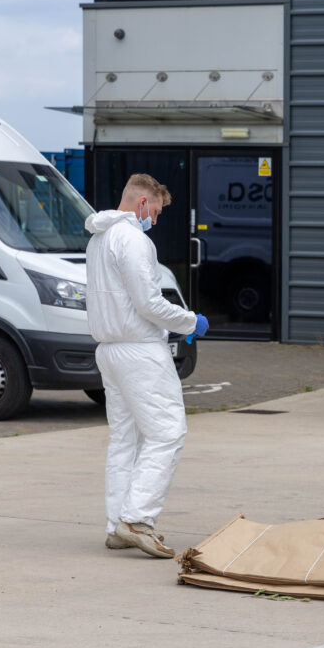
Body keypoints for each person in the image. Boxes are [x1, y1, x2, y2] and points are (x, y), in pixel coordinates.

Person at [84, 173, 209, 559]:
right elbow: (149, 303)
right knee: (168, 432)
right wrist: (191, 322)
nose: (154, 220)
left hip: (108, 349)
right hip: (139, 349)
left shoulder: (98, 238)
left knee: (126, 439)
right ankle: (137, 521)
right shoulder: (134, 240)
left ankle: (116, 523)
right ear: (141, 203)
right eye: (154, 211)